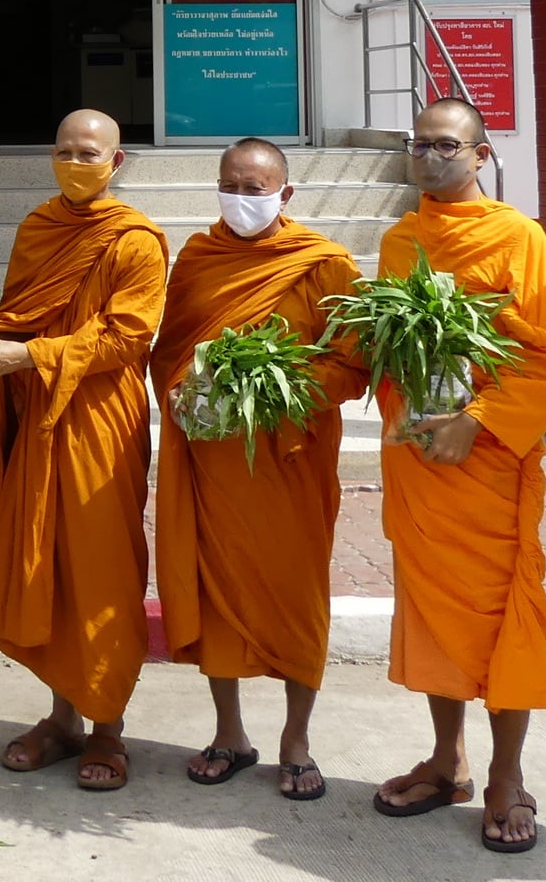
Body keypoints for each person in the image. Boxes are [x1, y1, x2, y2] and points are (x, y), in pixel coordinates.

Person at [358, 97, 546, 857]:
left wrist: (476, 421)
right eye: (420, 144)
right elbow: (389, 353)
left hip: (488, 461)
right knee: (432, 613)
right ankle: (448, 759)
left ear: (481, 154)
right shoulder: (399, 240)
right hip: (420, 460)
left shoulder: (520, 237)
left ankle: (506, 777)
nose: (430, 155)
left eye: (447, 145)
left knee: (499, 616)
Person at [0, 108, 167, 793]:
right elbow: (22, 313)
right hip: (39, 409)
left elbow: (127, 339)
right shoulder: (38, 227)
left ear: (117, 161)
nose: (77, 162)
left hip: (100, 418)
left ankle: (108, 728)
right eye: (65, 150)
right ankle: (62, 716)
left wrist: (22, 353)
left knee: (100, 572)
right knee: (44, 564)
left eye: (90, 152)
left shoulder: (137, 241)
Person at [152, 137, 364, 801]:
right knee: (219, 592)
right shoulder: (198, 257)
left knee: (298, 596)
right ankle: (229, 732)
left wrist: (277, 389)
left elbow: (354, 364)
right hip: (217, 460)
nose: (242, 200)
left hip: (289, 461)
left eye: (256, 189)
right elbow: (169, 351)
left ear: (286, 193)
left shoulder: (324, 264)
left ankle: (296, 739)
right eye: (232, 187)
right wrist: (198, 387)